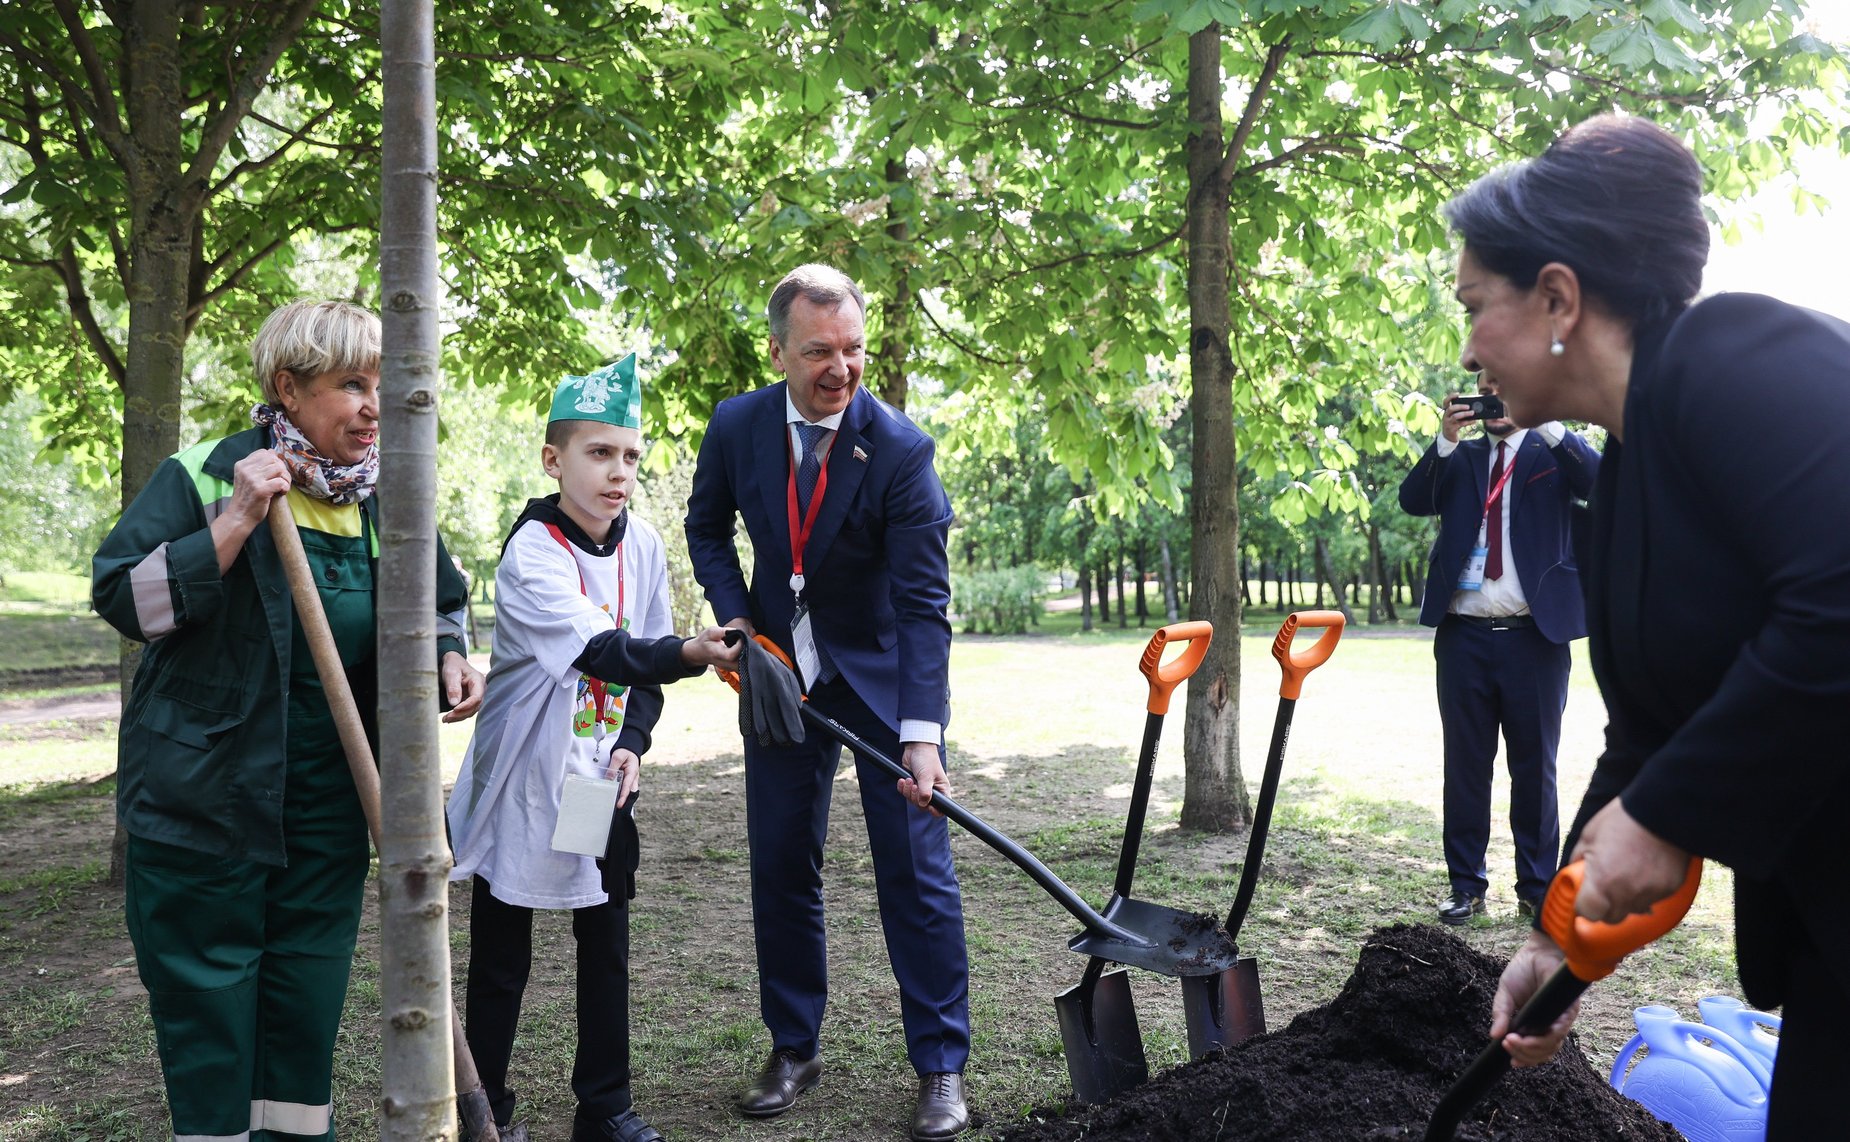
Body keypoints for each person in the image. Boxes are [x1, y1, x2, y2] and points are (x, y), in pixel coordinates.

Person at [1443, 113, 1850, 1139]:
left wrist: (1663, 814)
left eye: (1474, 304)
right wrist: (1558, 944)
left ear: (1556, 298)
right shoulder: (1625, 468)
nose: (1466, 345)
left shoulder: (1733, 355)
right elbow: (1652, 734)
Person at [91, 299, 486, 1142]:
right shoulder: (206, 473)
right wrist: (232, 521)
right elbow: (127, 600)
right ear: (288, 388)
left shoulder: (390, 496)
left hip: (331, 802)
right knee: (211, 1006)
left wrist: (450, 650)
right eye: (353, 384)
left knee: (305, 1003)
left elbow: (443, 600)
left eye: (386, 384)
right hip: (206, 799)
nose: (375, 405)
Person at [683, 263, 971, 1141]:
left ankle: (940, 1066)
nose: (841, 368)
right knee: (779, 860)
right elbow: (706, 525)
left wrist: (922, 739)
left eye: (853, 349)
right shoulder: (736, 425)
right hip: (780, 672)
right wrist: (736, 618)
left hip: (879, 678)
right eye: (818, 352)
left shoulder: (900, 451)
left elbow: (925, 606)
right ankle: (793, 1047)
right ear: (778, 352)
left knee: (915, 872)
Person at [447, 356, 740, 1142]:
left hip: (597, 783)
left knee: (605, 942)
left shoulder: (640, 541)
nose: (618, 473)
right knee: (503, 957)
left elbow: (639, 673)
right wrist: (691, 652)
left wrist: (635, 743)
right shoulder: (533, 551)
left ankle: (605, 1109)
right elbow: (610, 652)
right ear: (555, 459)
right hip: (524, 778)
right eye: (598, 453)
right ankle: (486, 1110)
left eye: (631, 456)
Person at [1398, 373, 1598, 924]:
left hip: (1535, 639)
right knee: (1465, 766)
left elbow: (1603, 483)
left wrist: (1547, 418)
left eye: (1507, 385)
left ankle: (1536, 888)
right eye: (1486, 387)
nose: (1495, 397)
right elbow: (1413, 499)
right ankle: (1466, 885)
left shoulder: (1551, 450)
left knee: (1536, 770)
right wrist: (1443, 439)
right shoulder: (1460, 459)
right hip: (1463, 637)